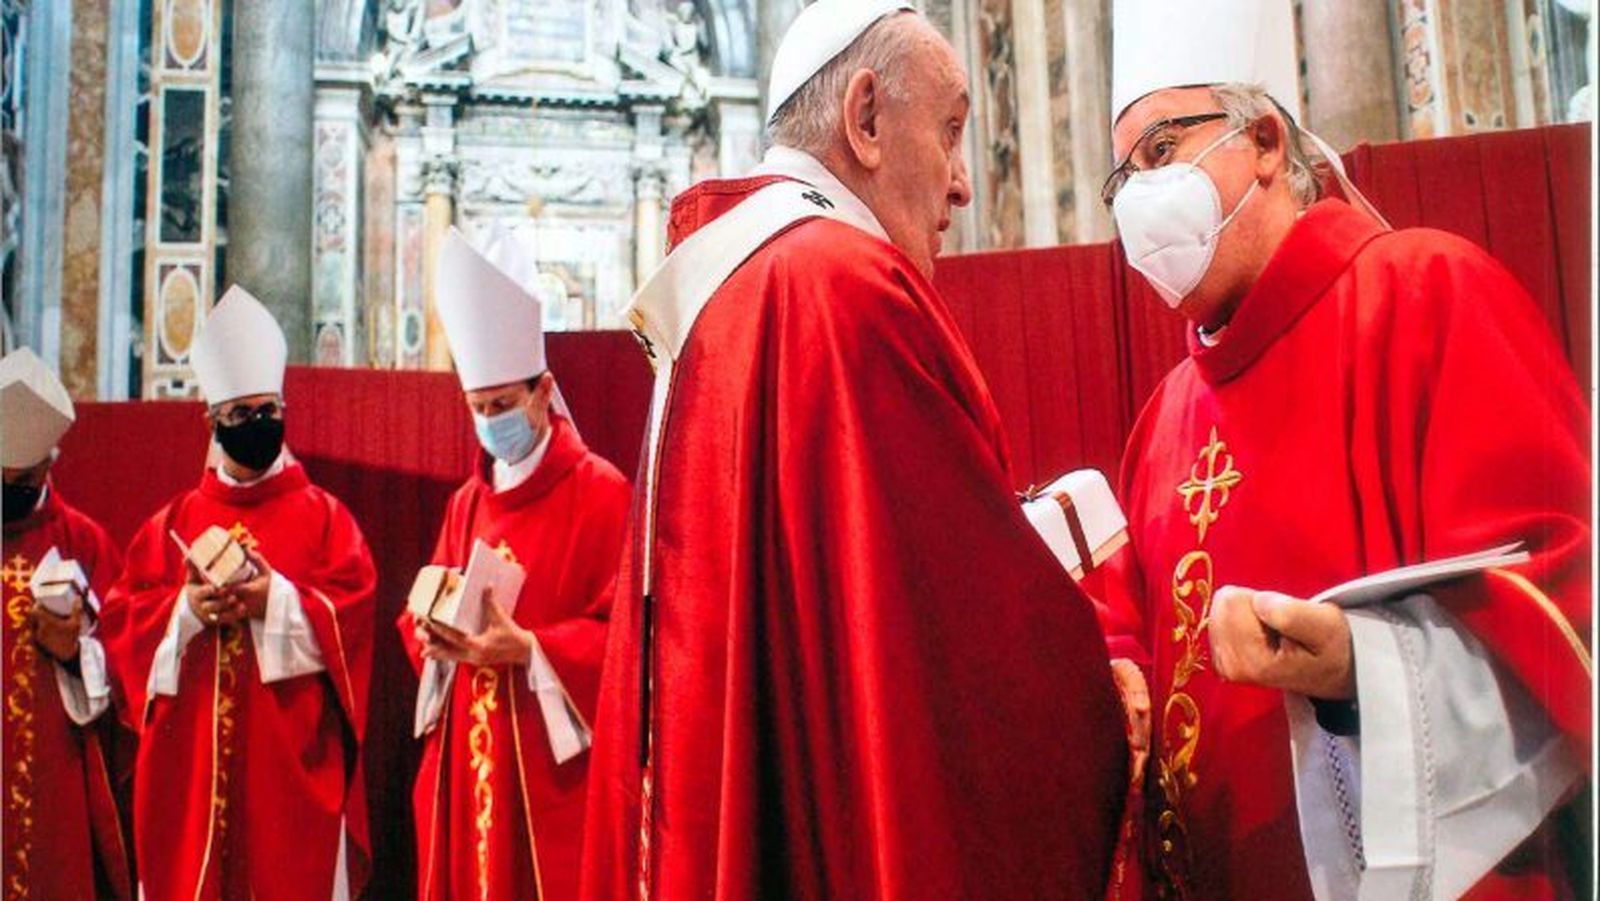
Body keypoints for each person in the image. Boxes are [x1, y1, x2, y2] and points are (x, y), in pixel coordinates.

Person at [581, 2, 1129, 897]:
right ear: (866, 119)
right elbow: (959, 648)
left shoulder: (736, 286)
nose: (961, 183)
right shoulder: (845, 286)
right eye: (951, 132)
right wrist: (1103, 675)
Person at [1089, 0, 1592, 896]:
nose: (1137, 200)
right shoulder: (1163, 417)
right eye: (1121, 177)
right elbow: (1138, 638)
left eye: (1161, 152)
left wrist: (1359, 668)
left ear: (1269, 141)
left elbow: (1566, 617)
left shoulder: (1427, 297)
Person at [101, 286, 377, 900]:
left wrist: (273, 601)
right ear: (212, 423)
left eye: (269, 410)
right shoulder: (170, 524)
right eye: (243, 416)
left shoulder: (327, 520)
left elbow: (351, 614)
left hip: (289, 774)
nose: (260, 425)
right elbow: (123, 624)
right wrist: (186, 612)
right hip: (188, 774)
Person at [401, 226, 630, 900]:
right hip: (468, 766)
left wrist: (528, 648)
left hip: (553, 776)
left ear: (542, 391)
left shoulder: (601, 492)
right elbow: (426, 631)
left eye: (502, 405)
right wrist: (432, 635)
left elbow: (629, 643)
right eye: (478, 408)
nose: (491, 421)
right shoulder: (466, 502)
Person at [1, 347, 132, 899]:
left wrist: (77, 652)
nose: (10, 490)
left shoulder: (84, 542)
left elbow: (127, 665)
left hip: (54, 778)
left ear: (49, 466)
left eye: (22, 480)